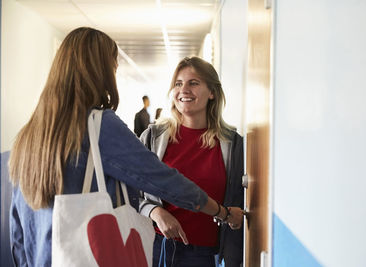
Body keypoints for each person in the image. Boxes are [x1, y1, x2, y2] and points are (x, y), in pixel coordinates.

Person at [8, 28, 243, 267]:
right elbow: (162, 179)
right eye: (112, 65)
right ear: (98, 70)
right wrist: (221, 212)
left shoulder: (30, 133)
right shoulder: (100, 125)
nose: (114, 72)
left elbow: (17, 227)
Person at [139, 56, 244, 267]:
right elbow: (129, 189)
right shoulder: (154, 137)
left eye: (193, 83)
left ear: (212, 92)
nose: (184, 90)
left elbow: (240, 201)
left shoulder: (232, 143)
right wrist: (155, 211)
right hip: (159, 248)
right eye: (178, 84)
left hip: (207, 256)